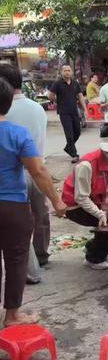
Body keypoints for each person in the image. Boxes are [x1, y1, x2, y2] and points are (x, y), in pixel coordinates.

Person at [0, 78, 66, 325]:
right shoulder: (17, 134)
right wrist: (57, 201)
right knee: (16, 259)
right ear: (7, 105)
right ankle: (12, 315)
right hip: (12, 206)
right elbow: (38, 171)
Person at [61, 125, 108, 270]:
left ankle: (92, 247)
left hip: (99, 203)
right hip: (76, 206)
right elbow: (81, 198)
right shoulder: (86, 165)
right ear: (104, 148)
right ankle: (93, 258)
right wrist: (99, 213)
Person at [1, 64, 51, 279]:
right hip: (38, 169)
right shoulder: (38, 107)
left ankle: (30, 270)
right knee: (40, 215)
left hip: (15, 174)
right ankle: (41, 253)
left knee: (19, 226)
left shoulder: (5, 111)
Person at [49, 64, 87, 163]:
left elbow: (80, 96)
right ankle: (74, 154)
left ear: (71, 72)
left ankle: (68, 148)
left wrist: (85, 108)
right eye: (65, 70)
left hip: (74, 111)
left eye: (69, 70)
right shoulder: (57, 83)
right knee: (69, 134)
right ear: (62, 72)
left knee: (77, 132)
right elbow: (51, 96)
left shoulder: (75, 83)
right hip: (64, 112)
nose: (67, 72)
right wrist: (59, 101)